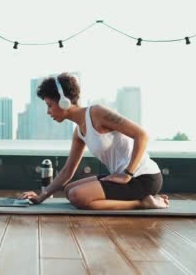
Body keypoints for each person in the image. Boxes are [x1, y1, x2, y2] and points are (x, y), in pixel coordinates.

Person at [20, 72, 169, 210]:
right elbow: (67, 171)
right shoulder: (79, 132)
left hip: (143, 178)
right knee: (68, 190)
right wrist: (41, 197)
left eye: (49, 105)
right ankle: (139, 198)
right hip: (122, 178)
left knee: (77, 196)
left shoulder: (96, 113)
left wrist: (127, 174)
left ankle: (142, 203)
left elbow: (142, 135)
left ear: (64, 101)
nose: (48, 112)